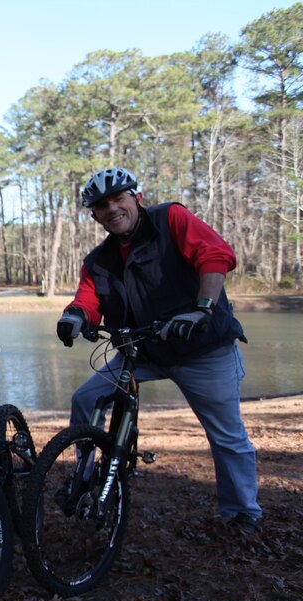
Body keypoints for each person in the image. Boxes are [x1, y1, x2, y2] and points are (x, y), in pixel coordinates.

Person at [56, 167, 260, 535]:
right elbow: (87, 299)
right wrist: (74, 317)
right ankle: (84, 478)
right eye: (102, 205)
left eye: (119, 199)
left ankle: (243, 512)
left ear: (137, 198)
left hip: (202, 349)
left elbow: (214, 255)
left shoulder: (171, 219)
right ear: (94, 216)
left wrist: (202, 307)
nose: (112, 209)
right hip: (142, 352)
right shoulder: (98, 260)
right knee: (84, 398)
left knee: (227, 436)